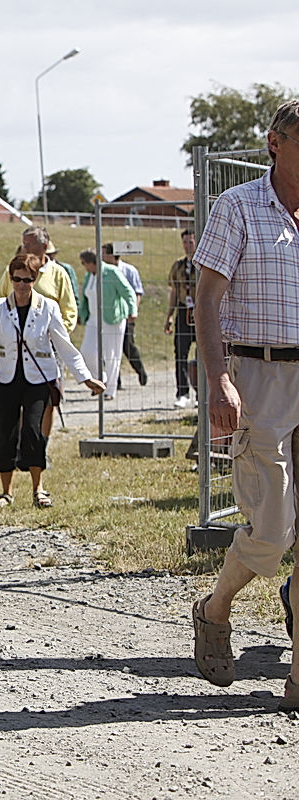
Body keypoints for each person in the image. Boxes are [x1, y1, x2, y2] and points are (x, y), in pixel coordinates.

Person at [190, 100, 299, 709]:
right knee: (274, 530)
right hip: (257, 376)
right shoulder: (239, 208)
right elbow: (206, 300)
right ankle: (216, 605)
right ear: (276, 143)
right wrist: (218, 380)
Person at [0, 254, 104, 508]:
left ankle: (38, 489)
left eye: (27, 279)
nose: (21, 285)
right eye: (16, 279)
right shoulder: (0, 308)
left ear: (35, 279)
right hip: (6, 378)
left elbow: (64, 346)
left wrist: (85, 377)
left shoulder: (48, 307)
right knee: (4, 433)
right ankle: (6, 492)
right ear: (10, 279)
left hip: (38, 379)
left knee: (33, 432)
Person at [0, 227, 78, 437]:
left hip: (48, 347)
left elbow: (69, 310)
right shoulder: (12, 271)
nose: (25, 247)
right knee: (19, 398)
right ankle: (25, 441)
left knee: (47, 399)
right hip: (16, 347)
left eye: (29, 244)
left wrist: (56, 334)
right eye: (23, 243)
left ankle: (41, 444)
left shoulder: (58, 274)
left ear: (44, 246)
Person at [78, 248, 137, 402]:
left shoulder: (111, 272)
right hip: (94, 319)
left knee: (112, 355)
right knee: (86, 352)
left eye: (84, 263)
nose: (84, 266)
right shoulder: (88, 276)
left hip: (113, 318)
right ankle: (101, 378)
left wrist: (132, 310)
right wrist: (80, 314)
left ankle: (110, 389)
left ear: (92, 262)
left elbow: (127, 291)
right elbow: (85, 297)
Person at [102, 243, 148, 386]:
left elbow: (136, 293)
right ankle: (115, 380)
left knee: (127, 346)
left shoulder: (129, 270)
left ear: (111, 255)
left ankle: (140, 371)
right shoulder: (102, 271)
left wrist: (133, 311)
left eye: (103, 254)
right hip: (109, 315)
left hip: (126, 315)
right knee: (109, 349)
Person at [165, 229, 199, 408]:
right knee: (181, 353)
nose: (187, 246)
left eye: (190, 242)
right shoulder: (178, 266)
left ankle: (201, 393)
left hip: (200, 312)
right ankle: (182, 393)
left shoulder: (203, 263)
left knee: (201, 354)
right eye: (185, 242)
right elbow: (174, 291)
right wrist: (169, 316)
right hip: (182, 311)